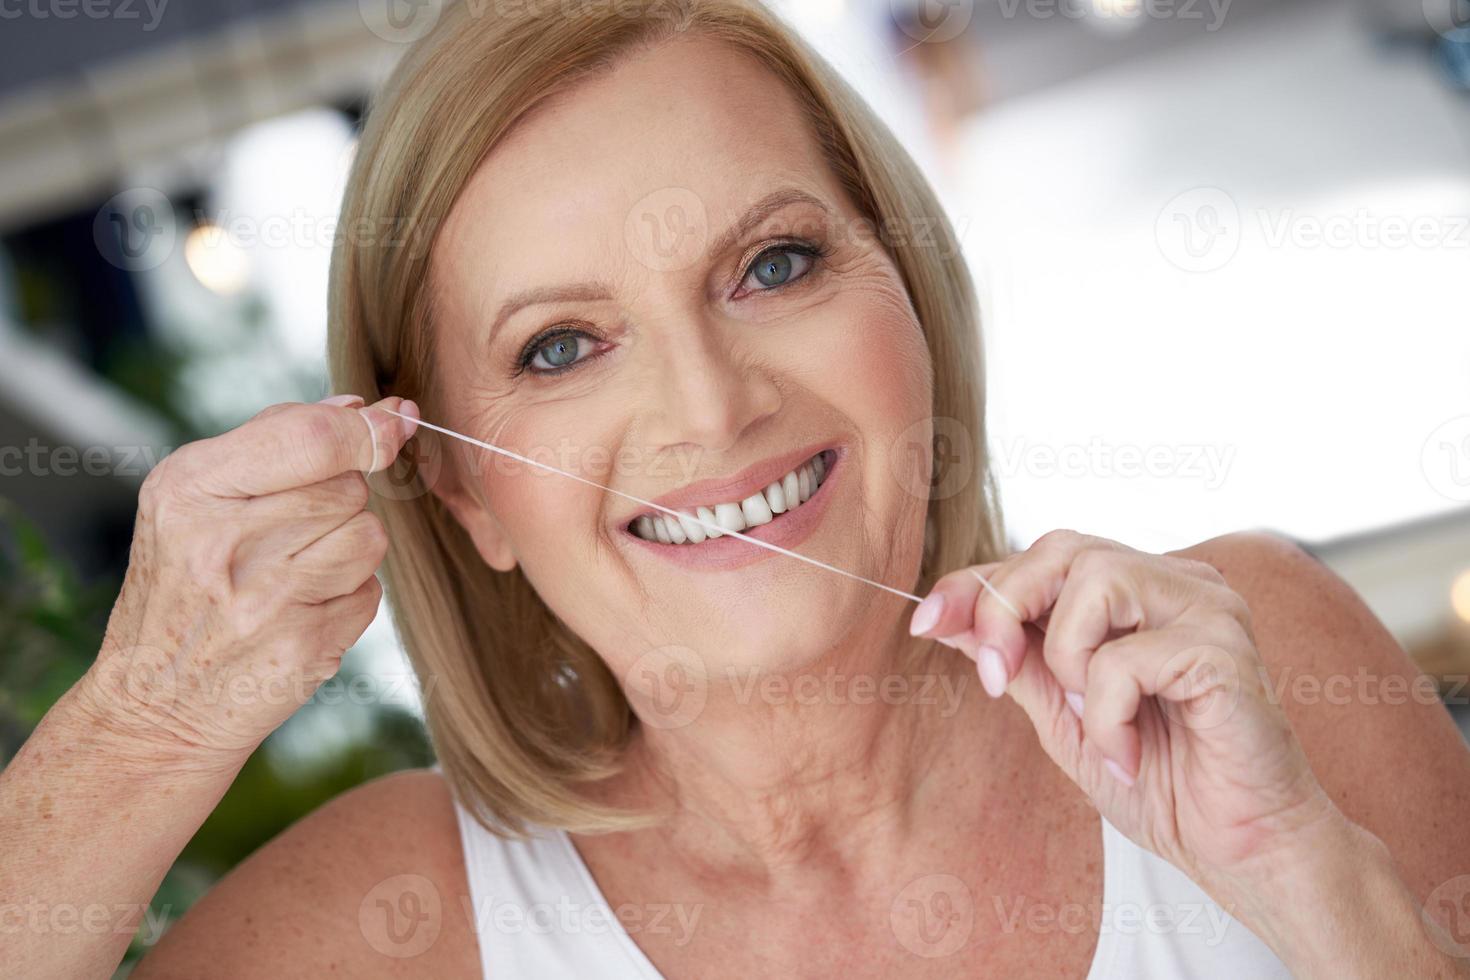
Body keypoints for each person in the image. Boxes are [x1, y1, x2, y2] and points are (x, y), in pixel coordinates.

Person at [4, 2, 1469, 976]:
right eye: (560, 347)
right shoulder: (387, 928)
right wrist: (144, 722)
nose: (709, 408)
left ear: (907, 289)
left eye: (774, 265)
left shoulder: (1251, 670)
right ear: (461, 498)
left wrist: (1305, 882)